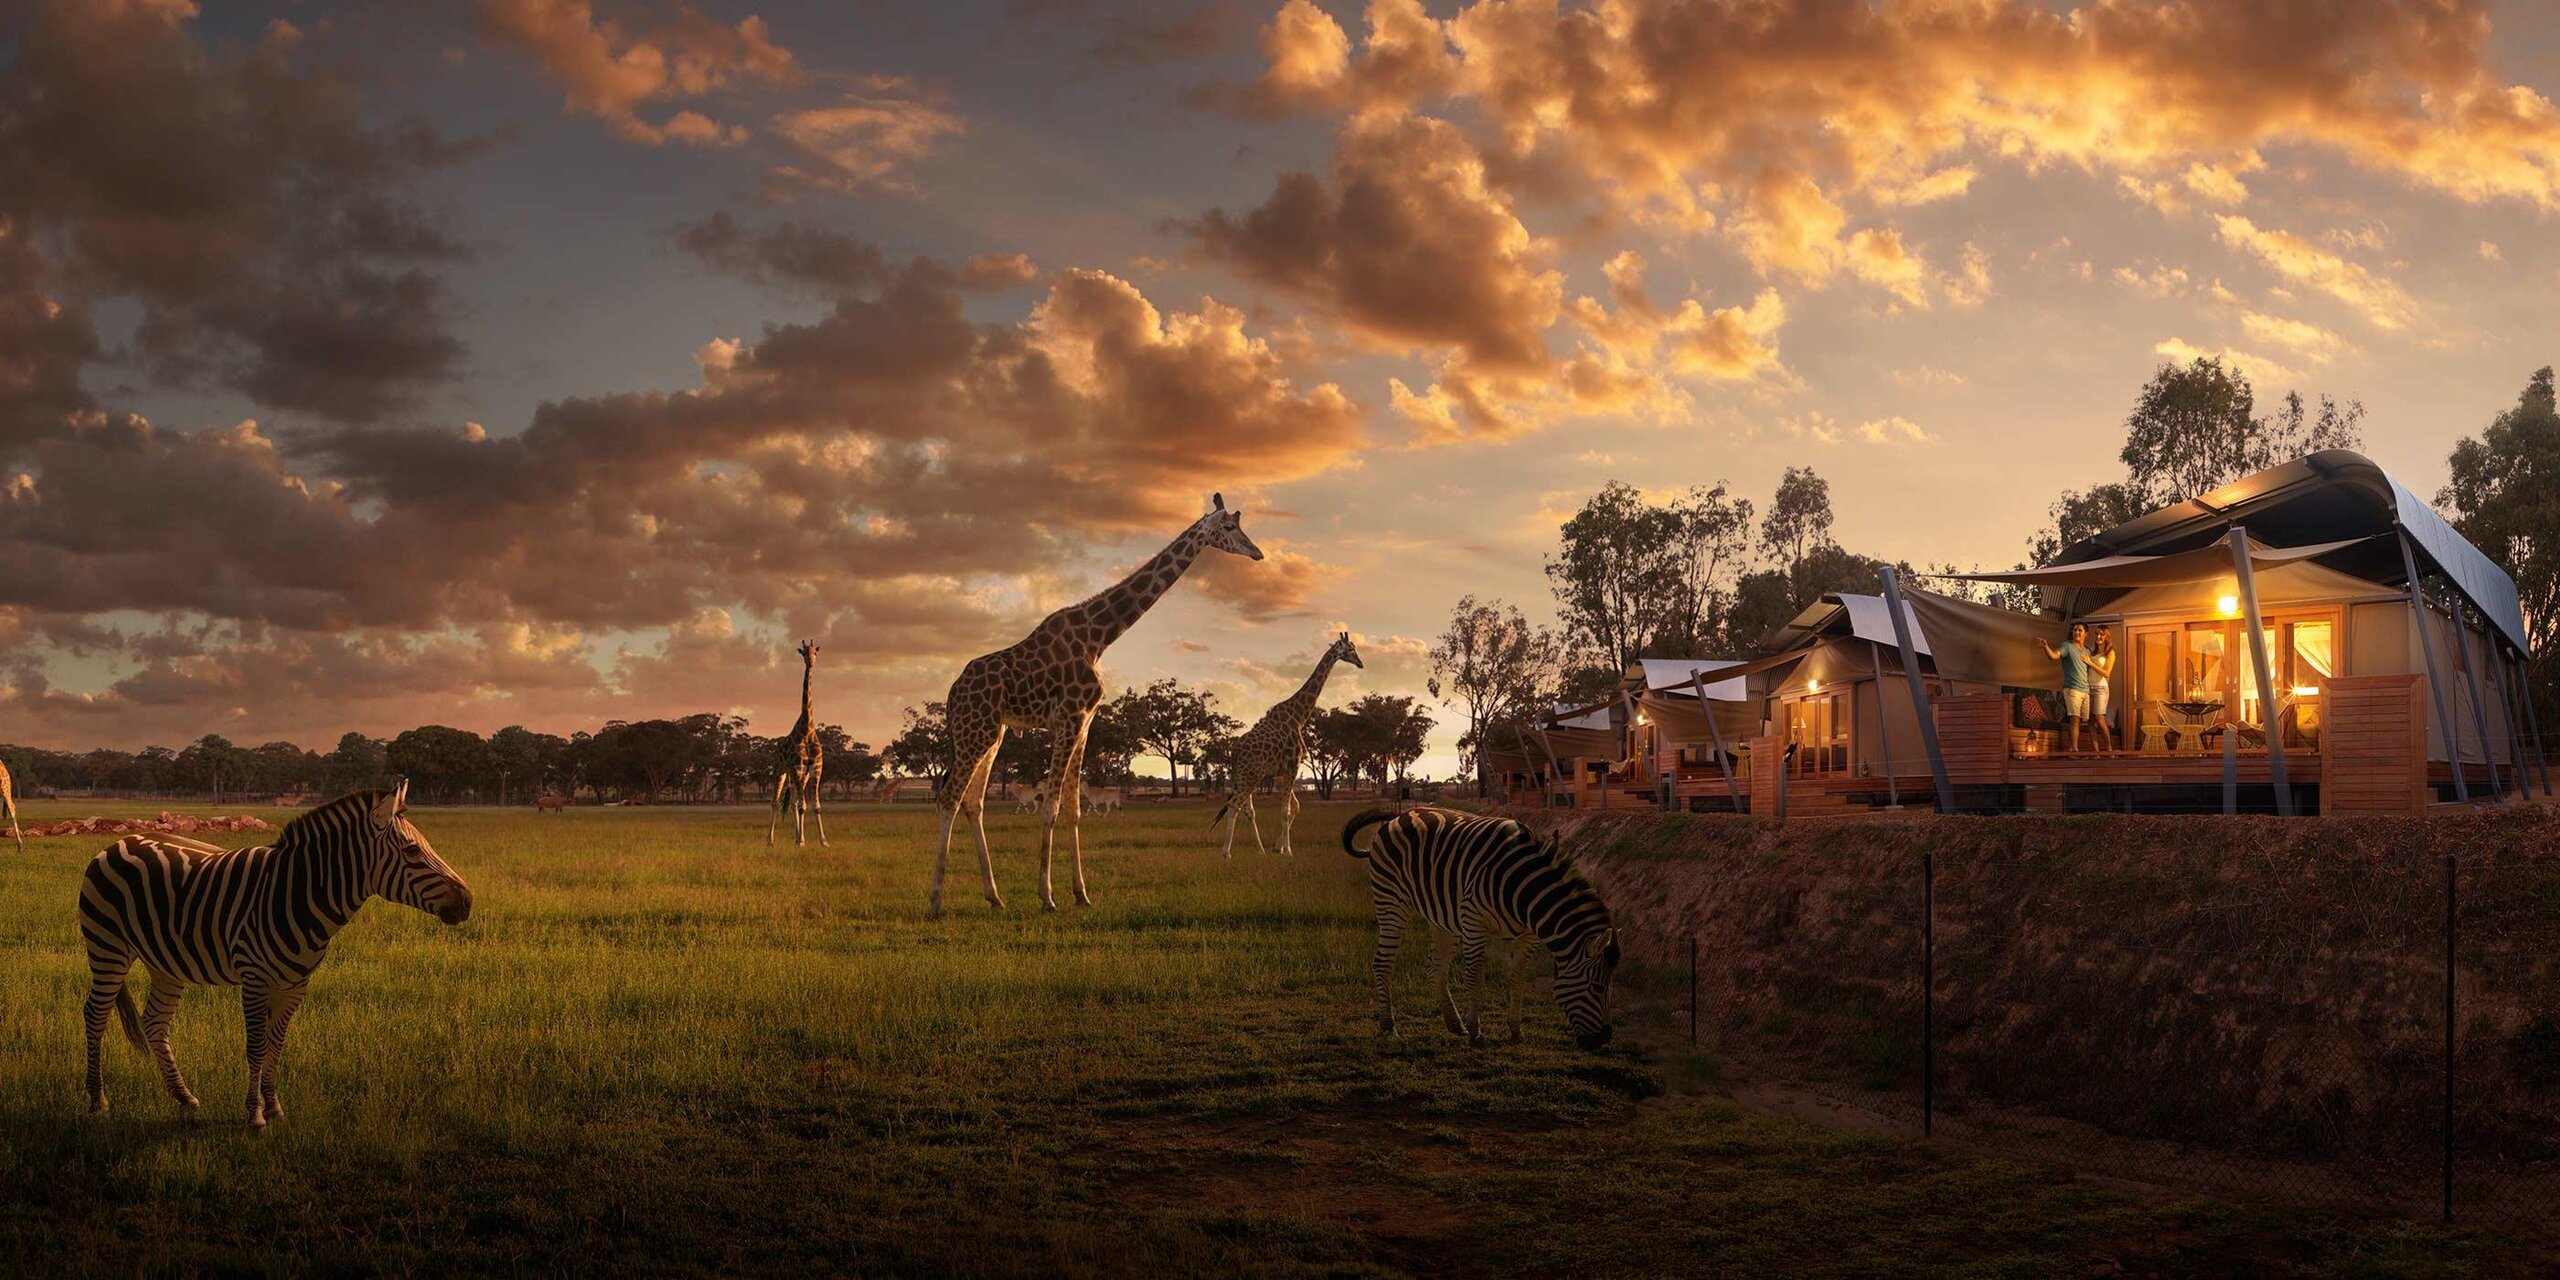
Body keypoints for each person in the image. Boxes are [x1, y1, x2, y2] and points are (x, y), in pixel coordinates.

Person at [2036, 622, 2096, 753]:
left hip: (2085, 690)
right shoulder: (2067, 646)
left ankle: (2073, 748)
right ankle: (2074, 750)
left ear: (2086, 634)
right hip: (2072, 689)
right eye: (2074, 630)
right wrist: (2046, 647)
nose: (2076, 633)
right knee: (2074, 719)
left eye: (2079, 630)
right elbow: (2054, 656)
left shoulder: (2088, 650)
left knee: (2080, 721)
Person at [2088, 626, 2119, 752]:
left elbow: (2106, 672)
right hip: (2088, 688)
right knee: (2090, 721)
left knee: (2099, 719)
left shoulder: (2110, 653)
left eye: (2101, 634)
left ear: (2107, 636)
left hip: (2100, 688)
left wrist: (2090, 663)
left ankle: (2109, 748)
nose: (2098, 637)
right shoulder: (2092, 652)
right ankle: (2096, 751)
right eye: (2096, 634)